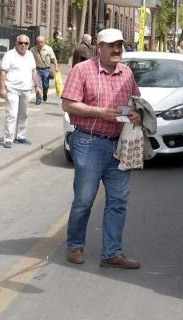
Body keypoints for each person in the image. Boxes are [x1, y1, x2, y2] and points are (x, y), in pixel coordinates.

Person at [61, 28, 143, 269]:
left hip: (119, 145)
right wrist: (100, 113)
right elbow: (68, 104)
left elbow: (135, 103)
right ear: (99, 48)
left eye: (119, 45)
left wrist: (136, 115)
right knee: (84, 200)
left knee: (118, 201)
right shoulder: (82, 70)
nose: (117, 49)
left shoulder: (127, 73)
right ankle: (75, 245)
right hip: (89, 142)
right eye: (111, 45)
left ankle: (112, 253)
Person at [0, 34, 42, 148]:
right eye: (21, 43)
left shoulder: (30, 55)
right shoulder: (9, 55)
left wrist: (37, 86)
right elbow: (3, 72)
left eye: (26, 43)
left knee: (24, 114)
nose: (23, 45)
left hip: (26, 89)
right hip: (12, 89)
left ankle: (20, 136)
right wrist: (2, 88)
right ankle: (8, 139)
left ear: (28, 44)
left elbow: (34, 71)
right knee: (12, 114)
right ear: (16, 43)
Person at [30, 36, 59, 104]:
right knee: (38, 84)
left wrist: (56, 66)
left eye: (41, 42)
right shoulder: (32, 49)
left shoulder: (48, 49)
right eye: (38, 42)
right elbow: (28, 58)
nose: (39, 44)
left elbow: (53, 58)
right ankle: (38, 98)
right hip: (37, 69)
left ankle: (45, 93)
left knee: (45, 85)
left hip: (46, 70)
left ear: (44, 42)